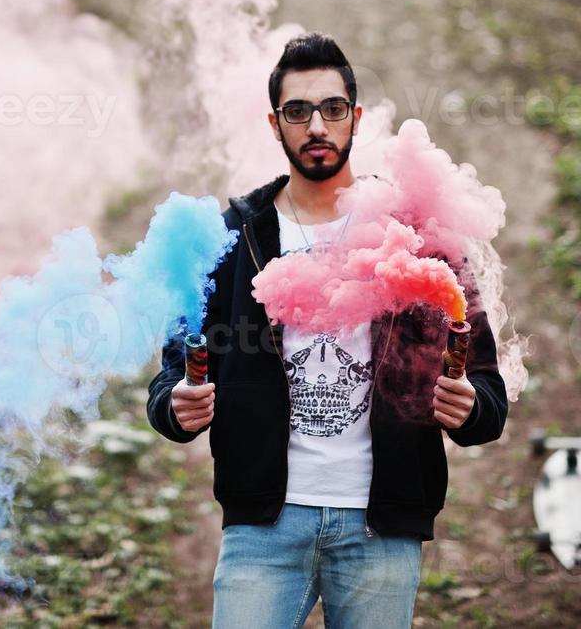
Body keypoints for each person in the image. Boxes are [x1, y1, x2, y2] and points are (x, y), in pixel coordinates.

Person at [145, 32, 508, 629]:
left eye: (333, 109)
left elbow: (487, 394)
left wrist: (469, 408)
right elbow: (172, 372)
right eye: (298, 111)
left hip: (379, 526)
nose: (317, 125)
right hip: (264, 527)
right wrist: (172, 404)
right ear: (275, 124)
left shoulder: (415, 233)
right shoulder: (232, 237)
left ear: (355, 118)